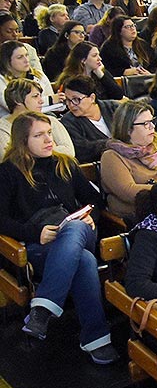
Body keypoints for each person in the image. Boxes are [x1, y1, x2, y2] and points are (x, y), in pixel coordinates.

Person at [0, 112, 117, 364]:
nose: (48, 140)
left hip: (78, 229)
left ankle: (43, 309)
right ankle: (96, 339)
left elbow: (95, 200)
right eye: (39, 135)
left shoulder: (64, 164)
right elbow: (2, 219)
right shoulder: (8, 172)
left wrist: (91, 216)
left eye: (49, 133)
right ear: (23, 140)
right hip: (41, 242)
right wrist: (35, 233)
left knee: (74, 229)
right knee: (85, 261)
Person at [0, 78, 74, 156]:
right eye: (35, 96)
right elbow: (10, 157)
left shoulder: (51, 121)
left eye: (40, 96)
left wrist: (33, 150)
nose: (41, 101)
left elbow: (69, 152)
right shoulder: (3, 128)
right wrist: (52, 148)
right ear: (17, 100)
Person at [60, 76, 118, 162]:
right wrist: (111, 144)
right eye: (68, 100)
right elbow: (82, 150)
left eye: (76, 99)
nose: (71, 105)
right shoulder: (68, 121)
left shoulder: (114, 108)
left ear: (92, 98)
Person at [55, 41, 125, 101]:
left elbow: (118, 95)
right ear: (83, 60)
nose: (99, 59)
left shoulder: (101, 73)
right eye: (95, 56)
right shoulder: (69, 79)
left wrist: (101, 75)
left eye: (99, 55)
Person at [0, 40, 56, 114]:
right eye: (20, 57)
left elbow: (53, 100)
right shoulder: (1, 79)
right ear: (7, 61)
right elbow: (12, 105)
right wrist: (50, 100)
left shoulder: (38, 75)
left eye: (26, 55)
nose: (26, 60)